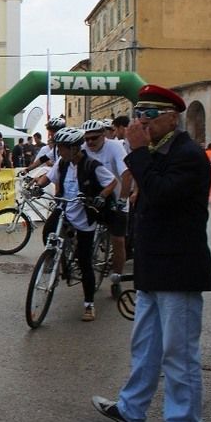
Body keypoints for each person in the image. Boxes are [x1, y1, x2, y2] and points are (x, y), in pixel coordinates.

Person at [92, 84, 211, 422]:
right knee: (145, 348)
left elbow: (161, 194)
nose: (140, 123)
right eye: (138, 115)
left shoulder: (187, 154)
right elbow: (134, 192)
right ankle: (131, 409)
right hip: (154, 267)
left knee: (179, 356)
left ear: (171, 118)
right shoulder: (157, 153)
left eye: (148, 115)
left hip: (178, 269)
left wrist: (137, 152)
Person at [34, 127, 116, 321]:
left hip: (84, 215)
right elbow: (48, 177)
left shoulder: (91, 165)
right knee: (48, 231)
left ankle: (89, 304)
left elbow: (111, 182)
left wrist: (101, 197)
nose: (58, 151)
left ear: (73, 148)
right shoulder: (62, 164)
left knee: (84, 261)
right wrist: (37, 185)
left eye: (62, 148)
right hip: (65, 207)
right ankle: (57, 258)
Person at [80, 119, 133, 297]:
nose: (90, 143)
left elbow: (126, 174)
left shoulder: (115, 147)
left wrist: (123, 199)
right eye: (87, 139)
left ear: (104, 135)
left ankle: (116, 278)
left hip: (116, 198)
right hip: (94, 198)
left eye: (94, 138)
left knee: (118, 241)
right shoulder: (83, 149)